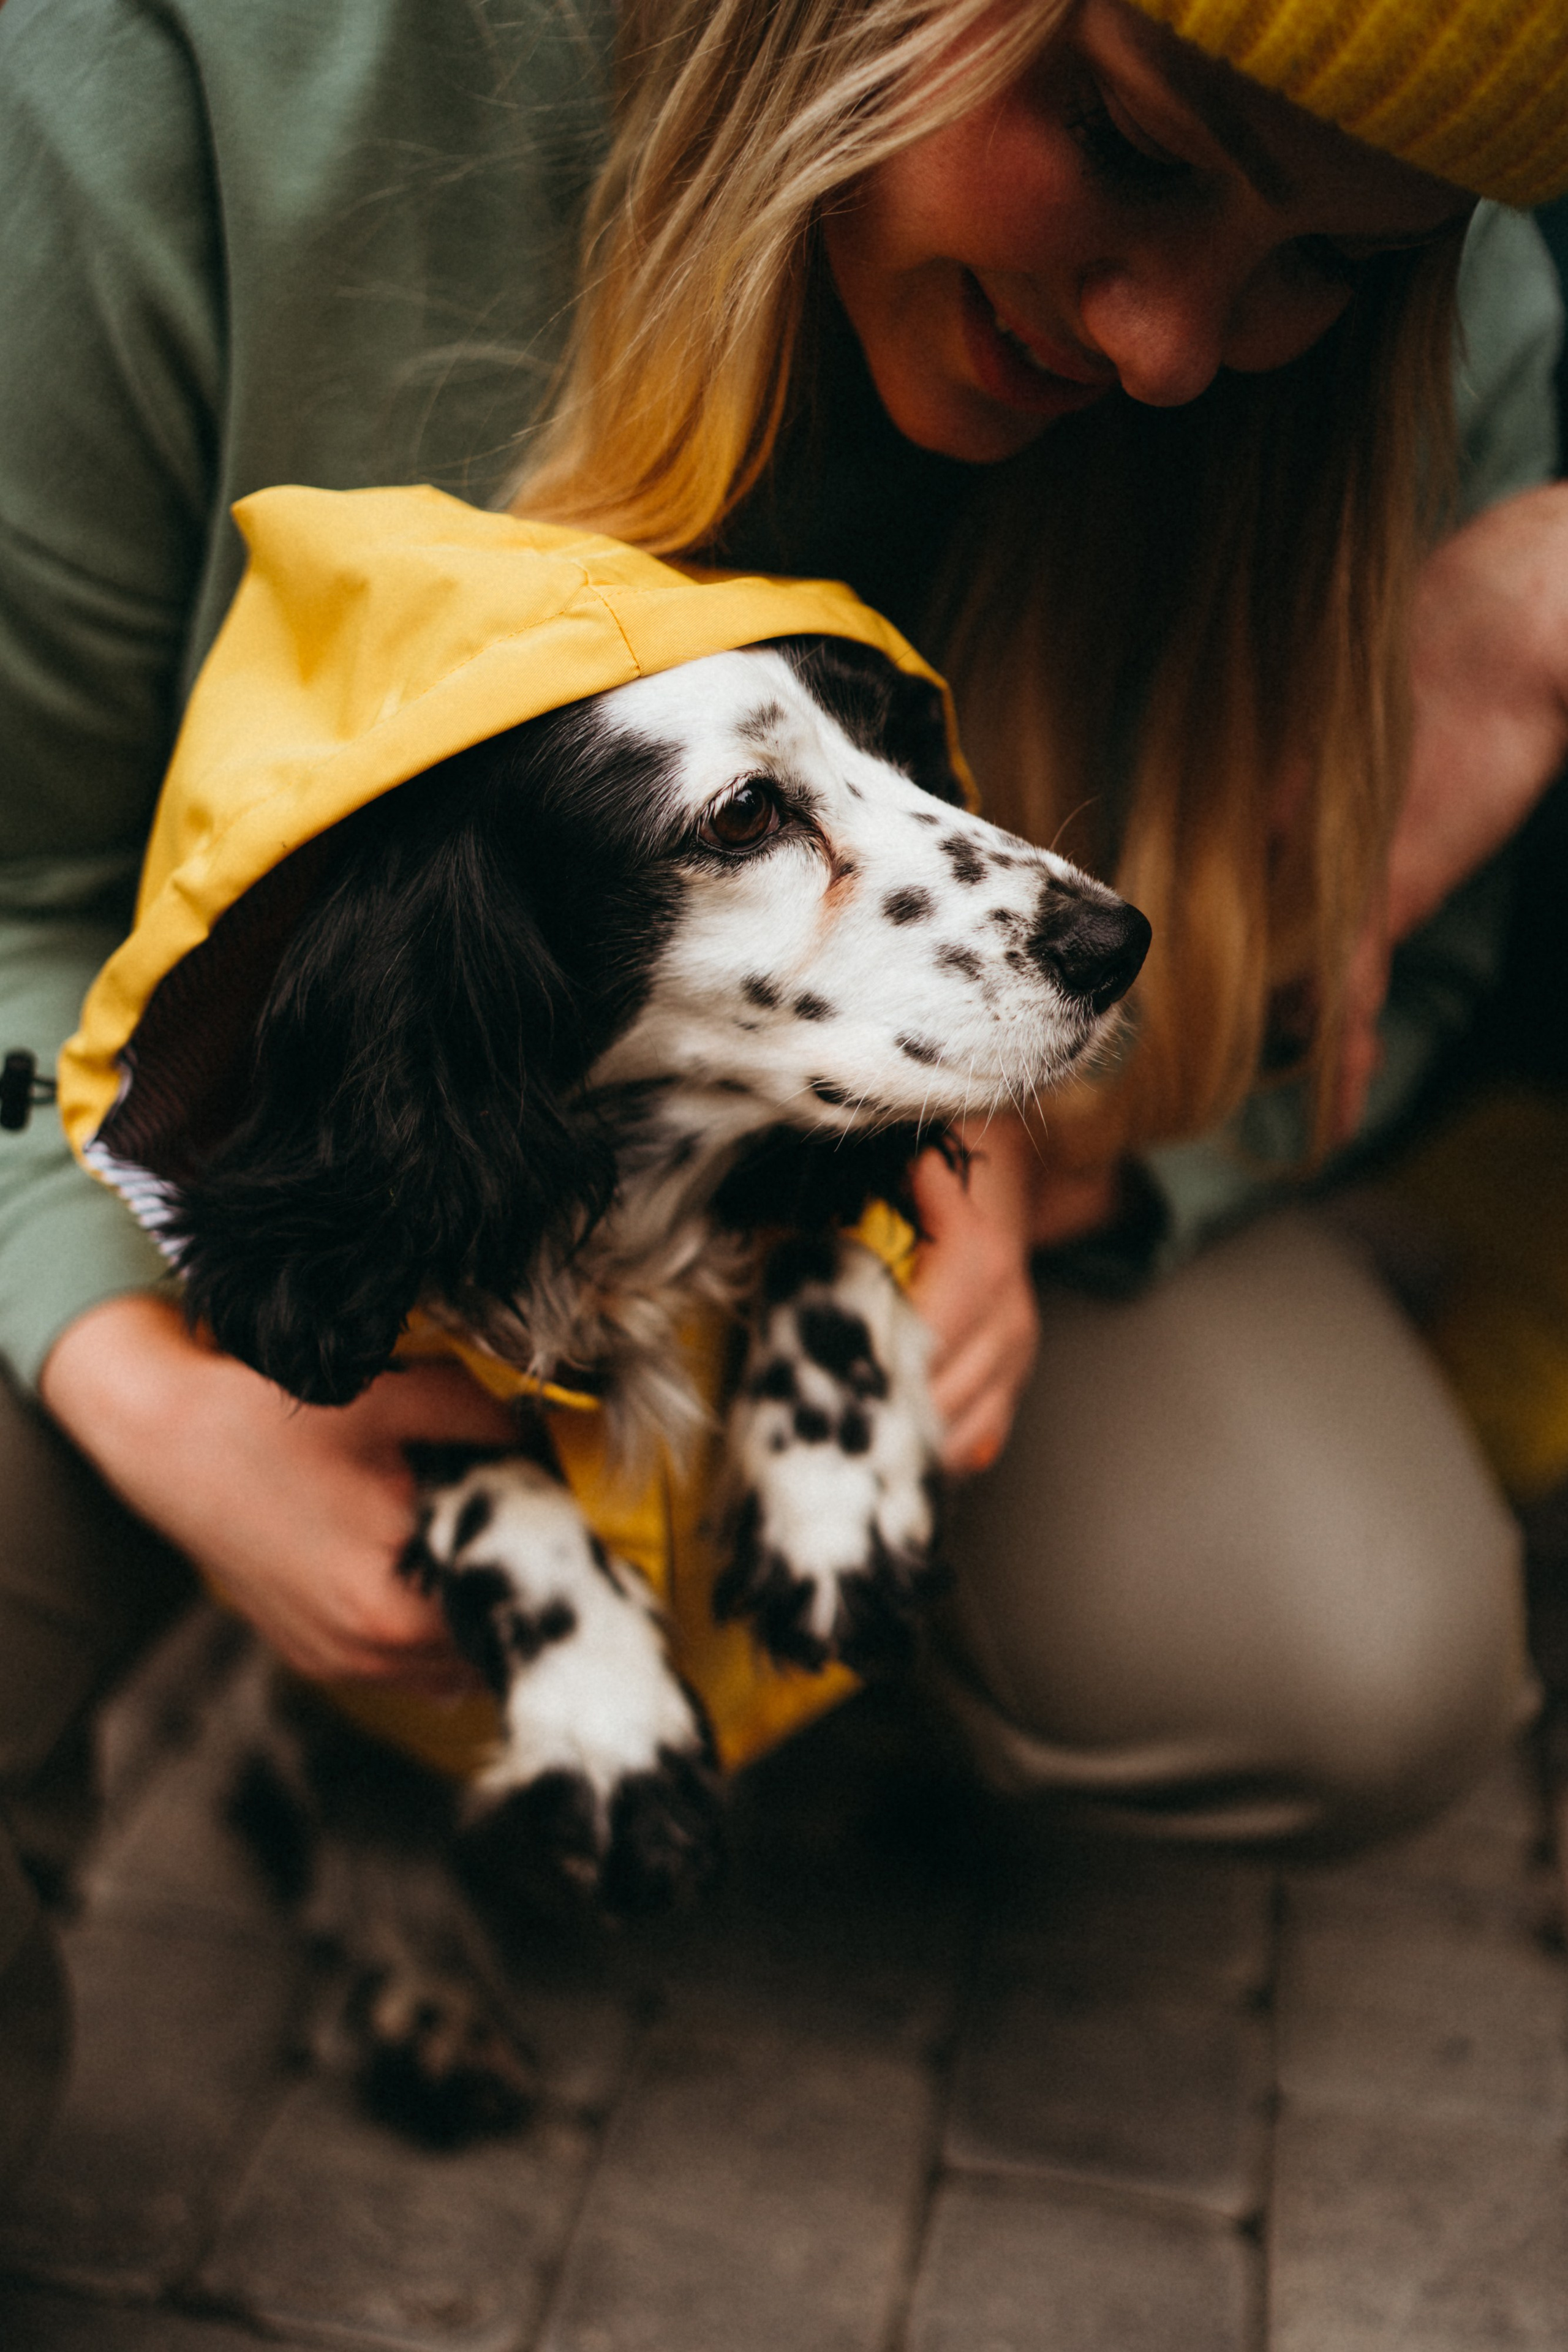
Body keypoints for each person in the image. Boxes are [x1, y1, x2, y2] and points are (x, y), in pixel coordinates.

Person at [3, 0, 1568, 2187]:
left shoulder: (1435, 315)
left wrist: (1075, 1165)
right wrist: (148, 1386)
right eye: (1123, 142)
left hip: (818, 1186)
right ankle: (336, 1733)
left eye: (1336, 268)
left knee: (1344, 1648)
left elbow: (1416, 984)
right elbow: (15, 890)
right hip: (207, 1133)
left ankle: (750, 1640)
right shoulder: (204, 65)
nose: (1174, 354)